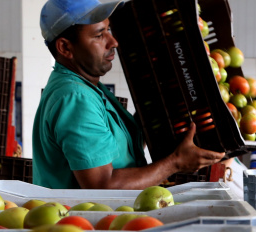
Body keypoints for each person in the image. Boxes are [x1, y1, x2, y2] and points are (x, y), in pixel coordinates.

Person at [32, 0, 225, 190]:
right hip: (87, 220)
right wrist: (175, 163)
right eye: (100, 35)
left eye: (109, 30)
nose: (113, 42)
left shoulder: (89, 87)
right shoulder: (75, 98)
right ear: (65, 48)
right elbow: (102, 185)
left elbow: (120, 154)